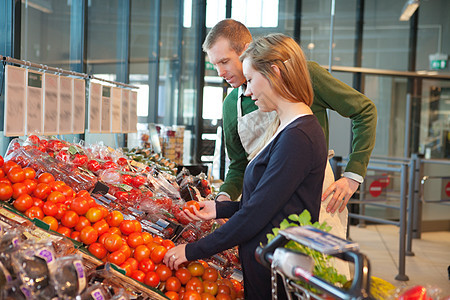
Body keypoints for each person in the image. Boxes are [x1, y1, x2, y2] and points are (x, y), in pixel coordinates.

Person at [164, 33, 328, 299]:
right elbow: (269, 203)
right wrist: (219, 208)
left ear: (274, 72)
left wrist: (193, 250)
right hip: (268, 262)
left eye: (250, 80)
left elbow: (256, 214)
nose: (248, 91)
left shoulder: (298, 137)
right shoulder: (286, 128)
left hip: (276, 272)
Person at [204, 19, 377, 238]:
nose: (220, 72)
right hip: (264, 203)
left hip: (315, 199)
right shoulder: (230, 106)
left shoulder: (305, 76)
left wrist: (353, 175)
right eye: (215, 65)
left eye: (224, 61)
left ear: (246, 51)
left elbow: (365, 110)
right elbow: (239, 165)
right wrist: (224, 198)